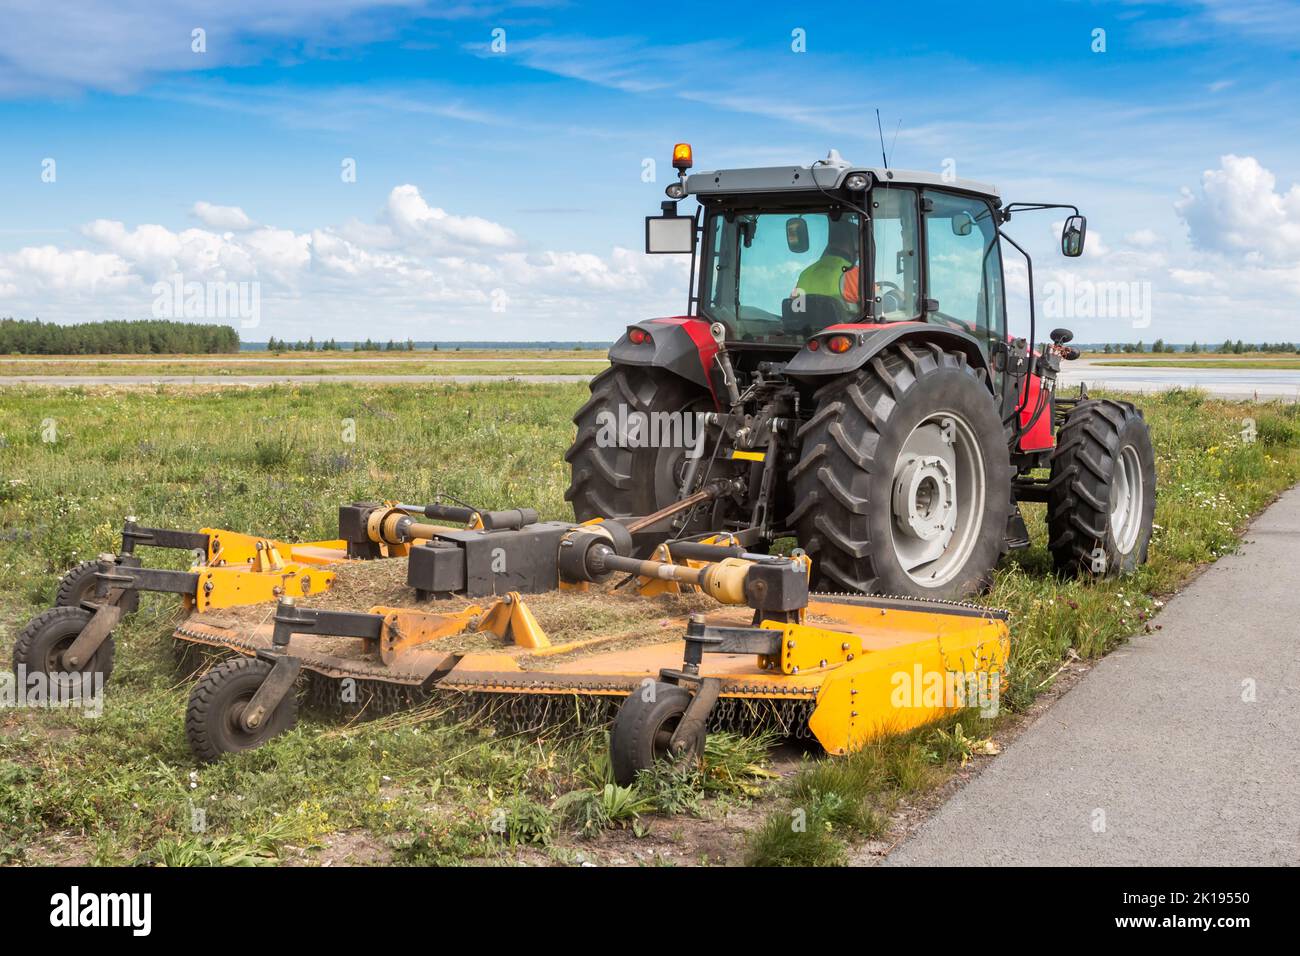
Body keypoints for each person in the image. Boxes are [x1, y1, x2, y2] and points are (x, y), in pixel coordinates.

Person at [793, 216, 861, 306]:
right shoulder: (855, 274)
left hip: (809, 320)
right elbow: (878, 308)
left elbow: (795, 309)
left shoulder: (804, 274)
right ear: (854, 245)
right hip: (844, 320)